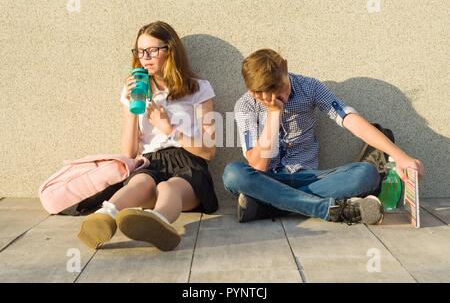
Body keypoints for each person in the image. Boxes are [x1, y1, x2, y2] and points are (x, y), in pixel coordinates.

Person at [222, 48, 424, 225]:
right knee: (233, 174)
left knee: (367, 174)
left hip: (310, 178)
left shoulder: (309, 87)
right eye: (267, 94)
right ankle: (327, 209)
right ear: (253, 91)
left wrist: (400, 156)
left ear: (285, 67)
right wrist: (274, 114)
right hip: (267, 179)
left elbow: (349, 119)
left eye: (281, 88)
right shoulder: (246, 105)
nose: (280, 98)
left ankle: (266, 206)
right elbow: (258, 167)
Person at [78, 21, 218, 251]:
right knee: (141, 181)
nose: (145, 57)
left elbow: (210, 151)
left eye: (152, 50)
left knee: (169, 188)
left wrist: (169, 129)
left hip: (189, 162)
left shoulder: (199, 88)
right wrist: (133, 105)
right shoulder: (134, 91)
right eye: (140, 51)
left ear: (170, 51)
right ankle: (105, 217)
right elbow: (129, 153)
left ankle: (159, 222)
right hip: (151, 160)